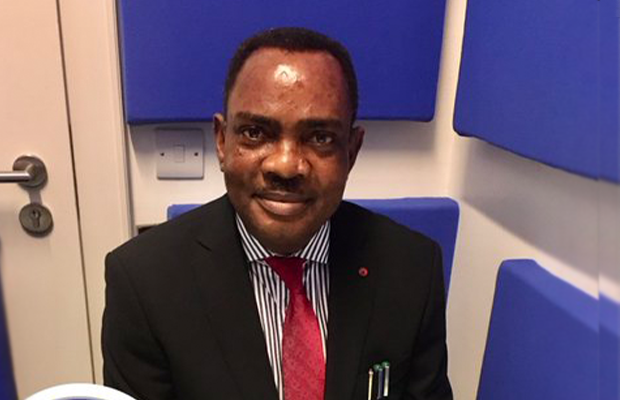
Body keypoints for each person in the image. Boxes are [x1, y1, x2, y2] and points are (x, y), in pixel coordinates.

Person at [102, 27, 453, 400]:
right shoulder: (143, 283)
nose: (285, 166)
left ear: (352, 150)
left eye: (320, 137)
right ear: (222, 141)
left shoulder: (412, 269)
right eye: (255, 132)